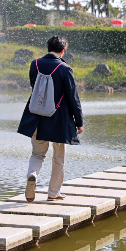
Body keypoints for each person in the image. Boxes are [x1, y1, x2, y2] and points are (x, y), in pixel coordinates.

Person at [18, 36, 84, 202]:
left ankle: (32, 174)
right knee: (58, 157)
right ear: (63, 51)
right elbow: (72, 98)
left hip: (36, 117)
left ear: (47, 47)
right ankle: (53, 193)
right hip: (58, 120)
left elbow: (35, 86)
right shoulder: (65, 68)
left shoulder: (35, 64)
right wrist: (79, 122)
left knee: (37, 154)